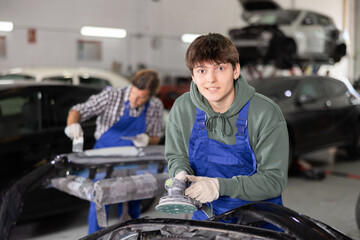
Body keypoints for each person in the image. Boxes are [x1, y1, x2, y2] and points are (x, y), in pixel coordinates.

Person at [165, 33, 289, 220]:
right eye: (201, 71)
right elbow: (177, 156)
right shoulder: (183, 108)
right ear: (193, 76)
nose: (210, 79)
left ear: (236, 70)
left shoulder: (265, 113)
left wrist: (218, 186)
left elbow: (274, 181)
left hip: (260, 221)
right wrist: (180, 174)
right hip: (206, 220)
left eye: (220, 68)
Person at [65, 69, 164, 233]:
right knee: (99, 201)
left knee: (133, 201)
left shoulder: (155, 106)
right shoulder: (112, 95)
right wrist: (72, 124)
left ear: (150, 96)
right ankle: (95, 236)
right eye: (134, 94)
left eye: (141, 98)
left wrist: (147, 140)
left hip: (133, 161)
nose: (135, 100)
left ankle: (132, 235)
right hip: (104, 159)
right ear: (131, 86)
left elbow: (156, 137)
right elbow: (78, 110)